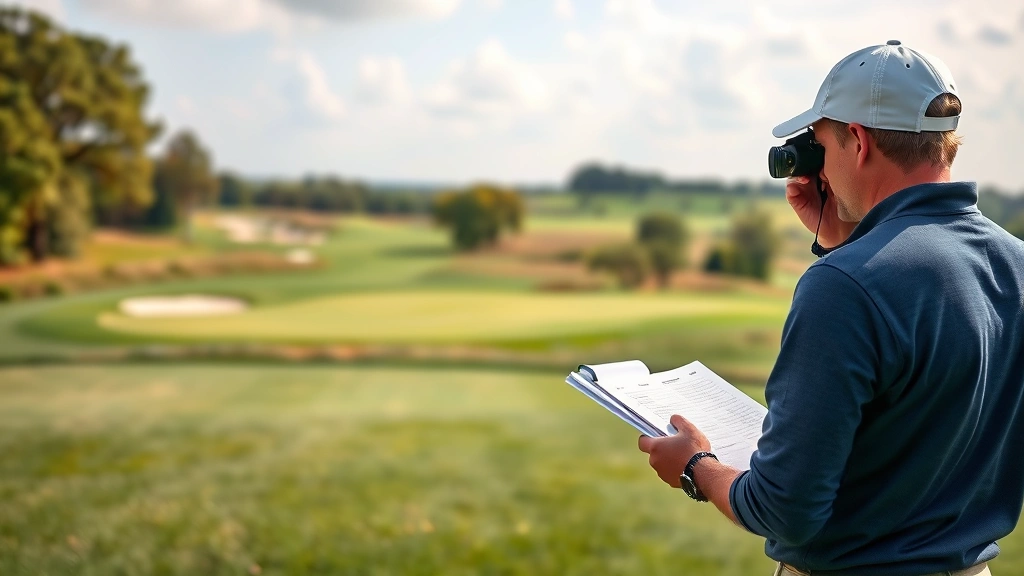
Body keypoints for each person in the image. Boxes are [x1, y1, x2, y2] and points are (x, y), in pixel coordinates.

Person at [638, 40, 1024, 576]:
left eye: (820, 143)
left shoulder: (842, 287)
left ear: (859, 142)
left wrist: (695, 467)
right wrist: (849, 242)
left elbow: (784, 509)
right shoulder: (1015, 264)